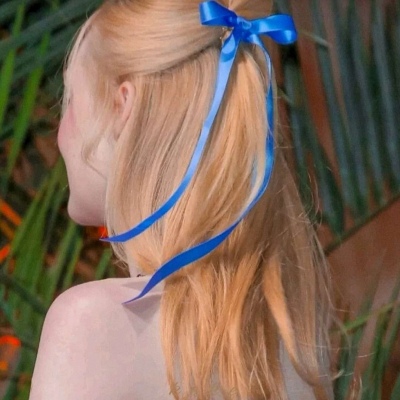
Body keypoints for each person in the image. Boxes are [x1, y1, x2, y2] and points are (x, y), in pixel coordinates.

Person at [29, 0, 333, 399]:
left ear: (122, 106)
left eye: (68, 100)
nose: (60, 135)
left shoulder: (89, 323)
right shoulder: (291, 335)